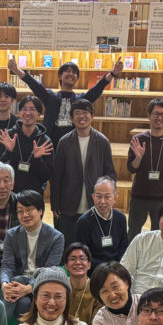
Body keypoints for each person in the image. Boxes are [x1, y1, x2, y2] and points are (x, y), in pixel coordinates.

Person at [8, 55, 123, 146]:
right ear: (60, 76)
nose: (71, 74)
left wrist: (113, 73)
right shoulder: (50, 97)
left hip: (73, 145)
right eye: (68, 71)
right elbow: (33, 84)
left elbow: (97, 89)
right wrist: (16, 70)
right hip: (49, 144)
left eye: (75, 73)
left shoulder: (80, 100)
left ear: (77, 79)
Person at [50, 98, 116, 243]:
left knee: (93, 244)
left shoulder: (102, 141)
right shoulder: (64, 142)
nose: (81, 116)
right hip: (69, 203)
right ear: (71, 118)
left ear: (92, 116)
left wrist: (110, 198)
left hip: (96, 204)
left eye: (85, 112)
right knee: (69, 244)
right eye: (77, 113)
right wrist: (55, 203)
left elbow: (109, 173)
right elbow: (57, 175)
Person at [0, 190, 65, 318]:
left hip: (41, 284)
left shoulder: (56, 237)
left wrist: (28, 288)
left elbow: (49, 271)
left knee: (17, 281)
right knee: (23, 303)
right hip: (17, 287)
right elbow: (7, 265)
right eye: (20, 211)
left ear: (40, 211)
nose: (25, 215)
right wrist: (5, 285)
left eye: (29, 210)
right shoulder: (12, 235)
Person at [126, 97, 163, 238]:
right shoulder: (138, 140)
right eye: (156, 114)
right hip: (139, 194)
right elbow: (131, 168)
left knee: (159, 234)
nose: (159, 118)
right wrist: (138, 158)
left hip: (162, 196)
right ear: (149, 115)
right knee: (133, 232)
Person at [0, 95, 54, 194]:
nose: (27, 113)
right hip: (10, 193)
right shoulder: (8, 136)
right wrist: (9, 152)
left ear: (39, 114)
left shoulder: (45, 141)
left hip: (34, 194)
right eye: (24, 109)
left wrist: (38, 159)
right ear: (19, 112)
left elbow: (47, 176)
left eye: (32, 109)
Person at [90, 261, 142, 325]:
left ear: (126, 283)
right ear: (99, 296)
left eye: (115, 287)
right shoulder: (100, 321)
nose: (113, 295)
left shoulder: (146, 305)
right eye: (105, 291)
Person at [74, 177, 129, 268]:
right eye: (99, 196)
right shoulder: (83, 222)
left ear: (115, 198)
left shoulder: (120, 218)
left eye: (107, 197)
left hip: (116, 267)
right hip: (94, 269)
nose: (102, 201)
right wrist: (106, 268)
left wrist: (116, 266)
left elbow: (124, 247)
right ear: (93, 197)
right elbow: (82, 255)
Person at [63, 242, 103, 325]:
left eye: (82, 259)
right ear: (66, 265)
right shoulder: (61, 288)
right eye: (73, 259)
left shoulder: (97, 290)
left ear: (89, 265)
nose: (77, 262)